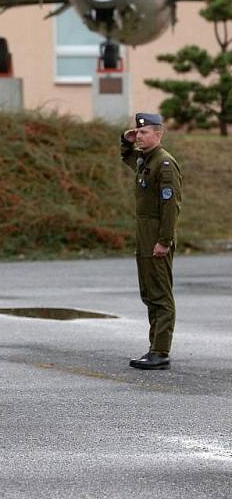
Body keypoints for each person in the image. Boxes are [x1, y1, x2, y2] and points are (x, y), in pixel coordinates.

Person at [121, 113, 182, 370]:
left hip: (157, 237)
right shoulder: (146, 160)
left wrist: (165, 240)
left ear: (159, 134)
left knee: (160, 295)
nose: (139, 136)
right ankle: (154, 348)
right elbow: (127, 156)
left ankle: (161, 351)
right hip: (145, 236)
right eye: (138, 132)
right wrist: (126, 139)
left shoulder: (164, 164)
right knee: (149, 293)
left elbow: (171, 206)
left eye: (144, 133)